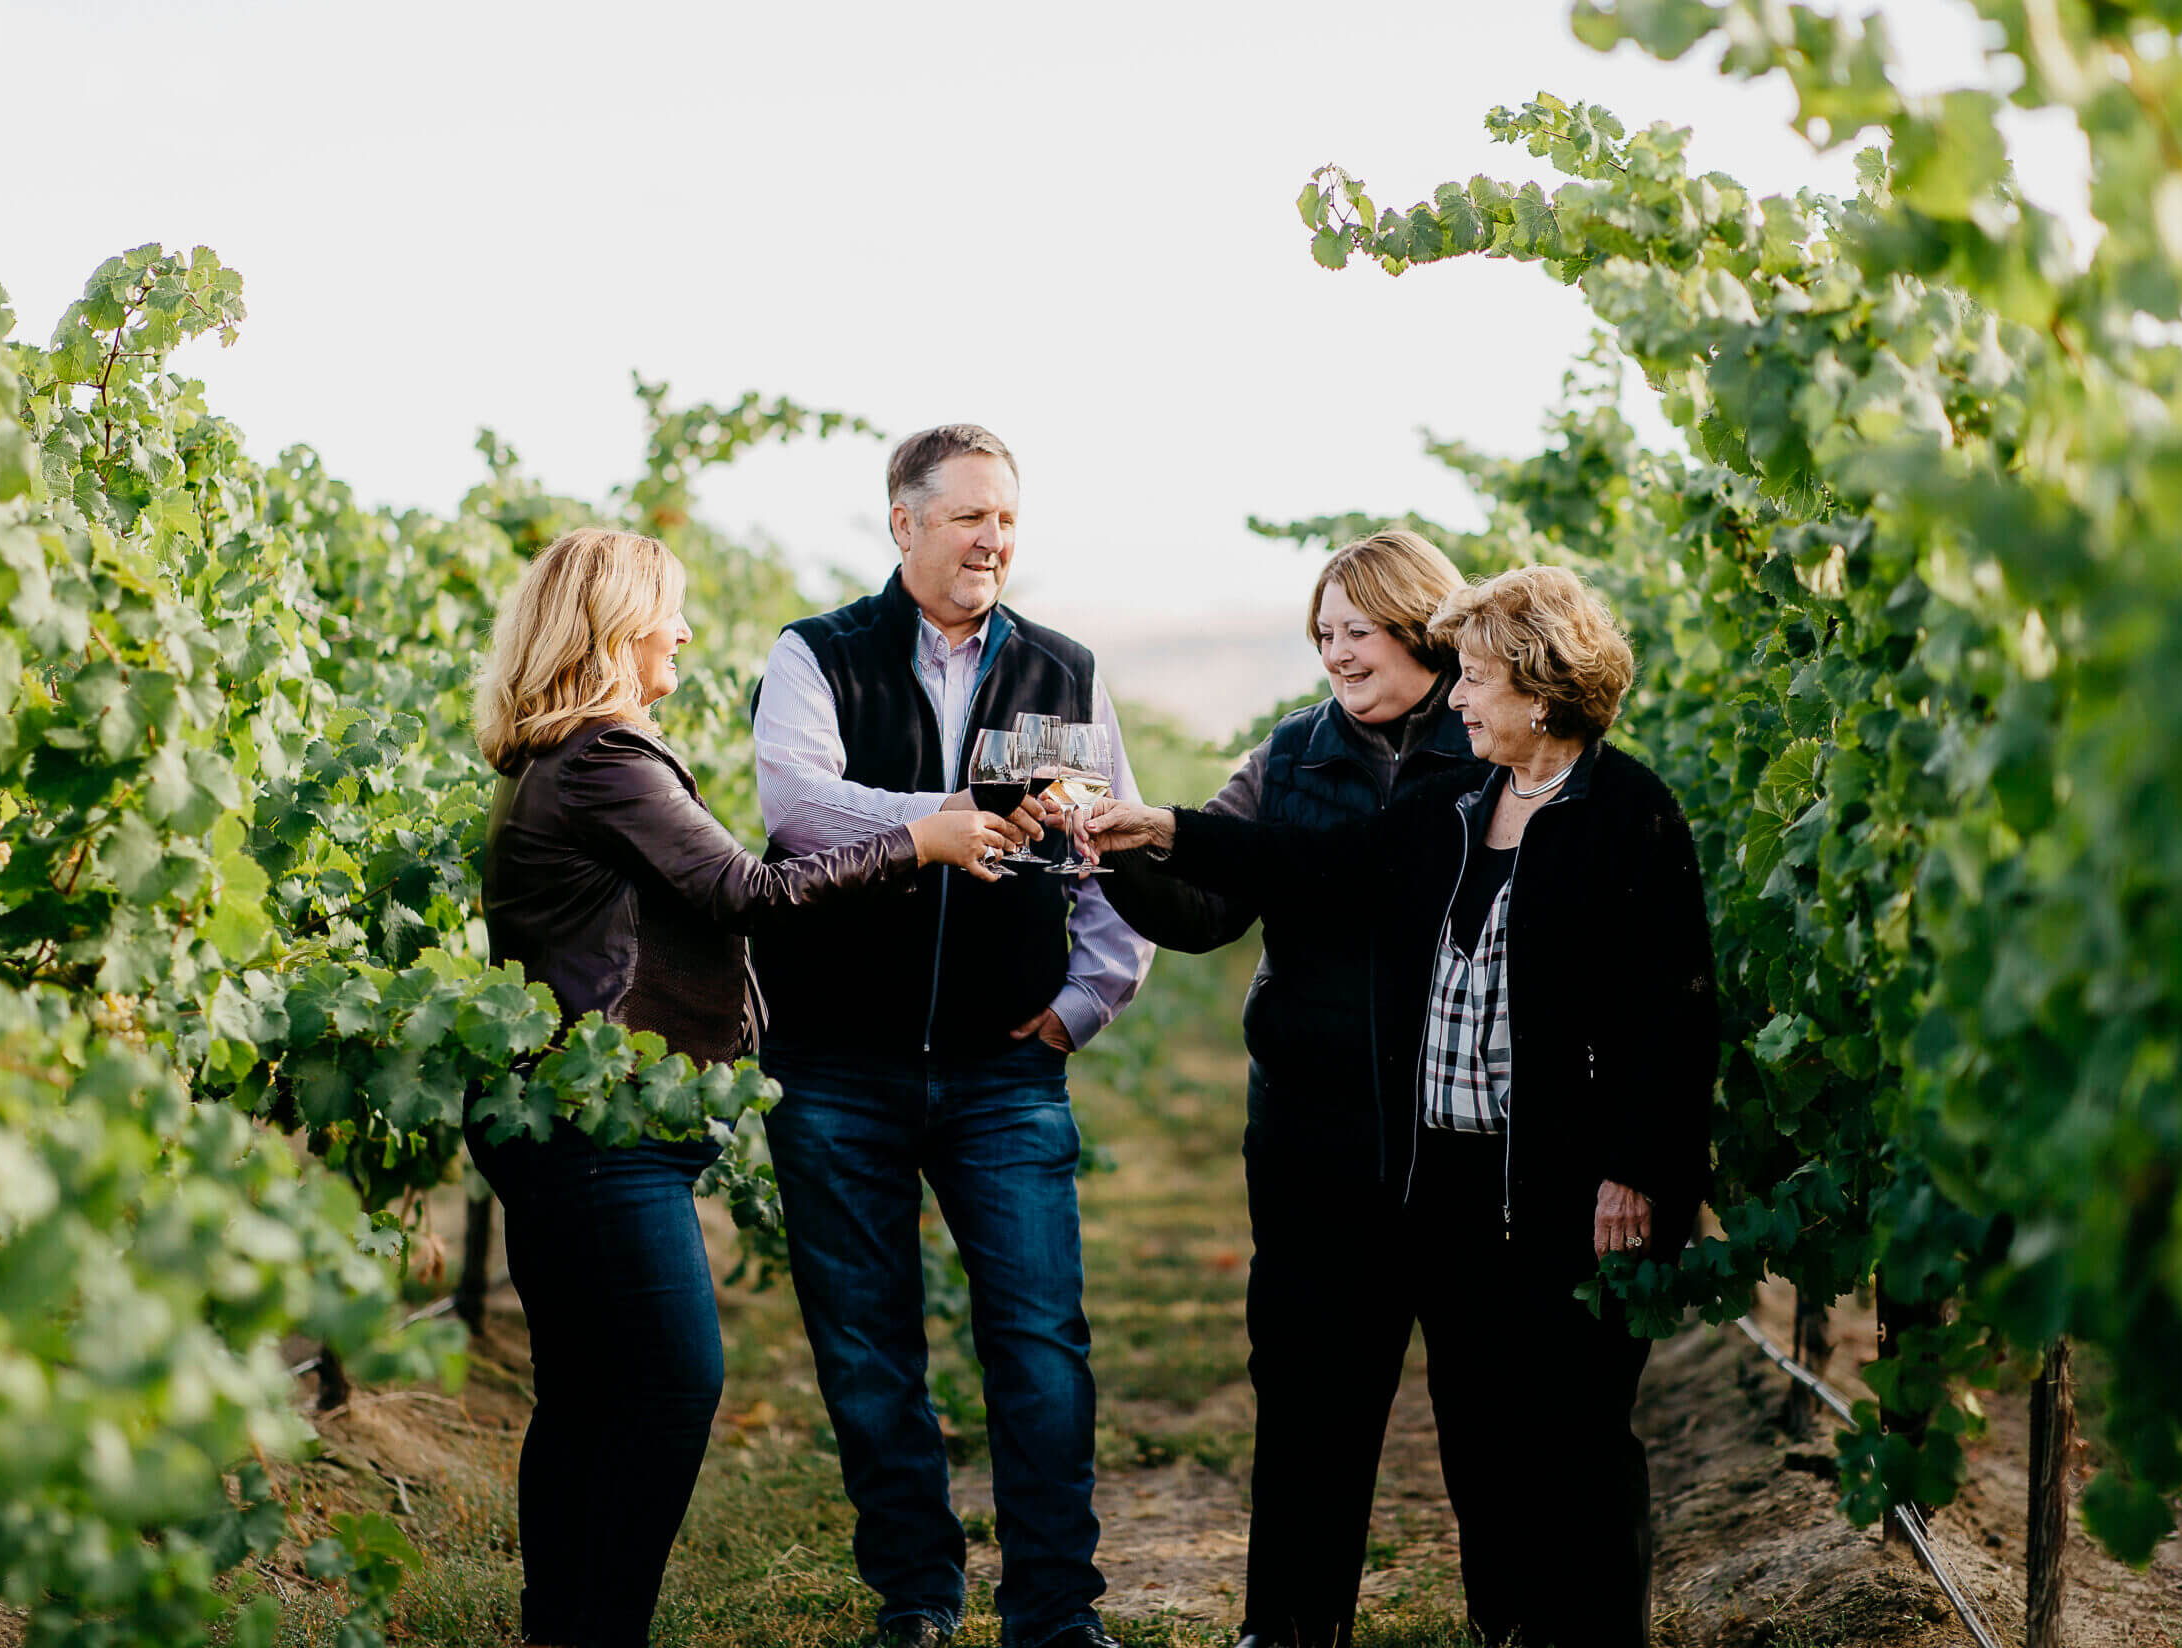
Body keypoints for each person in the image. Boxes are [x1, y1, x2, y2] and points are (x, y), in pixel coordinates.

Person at [1082, 565, 1717, 1648]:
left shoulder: (1611, 809)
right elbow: (1301, 864)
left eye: (1473, 677)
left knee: (1553, 1424)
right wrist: (1152, 833)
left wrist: (1641, 1164)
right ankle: (1388, 1625)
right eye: (1320, 632)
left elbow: (1674, 1007)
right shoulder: (1430, 796)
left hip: (1540, 1175)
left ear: (1529, 680)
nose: (1457, 699)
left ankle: (1558, 1628)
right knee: (1407, 1417)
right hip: (1402, 1165)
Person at [467, 527, 1018, 1648]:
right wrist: (919, 839)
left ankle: (558, 1630)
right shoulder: (604, 760)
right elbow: (746, 890)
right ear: (614, 627)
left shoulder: (556, 759)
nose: (682, 630)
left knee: (581, 1397)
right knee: (671, 1387)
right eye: (668, 610)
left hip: (570, 1114)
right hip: (602, 1124)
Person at [748, 424, 1153, 1648]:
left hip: (1002, 1069)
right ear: (903, 523)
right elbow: (799, 806)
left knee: (1038, 1344)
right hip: (834, 1062)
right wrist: (949, 818)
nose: (993, 539)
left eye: (1008, 520)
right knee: (870, 1350)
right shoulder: (816, 654)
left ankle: (1053, 1608)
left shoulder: (1066, 672)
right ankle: (917, 1594)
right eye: (970, 516)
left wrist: (1086, 1000)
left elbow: (1109, 851)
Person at [1092, 530, 1487, 1648]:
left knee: (1485, 1405)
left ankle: (1513, 1621)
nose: (1336, 654)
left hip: (1463, 1140)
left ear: (1418, 625)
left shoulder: (1496, 738)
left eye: (1355, 630)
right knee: (1311, 1392)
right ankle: (1287, 1629)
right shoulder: (1289, 753)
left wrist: (1183, 836)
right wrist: (1119, 855)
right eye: (1323, 635)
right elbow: (1208, 909)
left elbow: (1353, 870)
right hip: (1313, 1132)